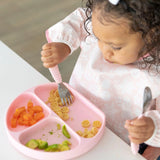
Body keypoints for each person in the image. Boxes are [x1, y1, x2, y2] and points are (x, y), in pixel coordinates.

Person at [41, 0, 160, 159]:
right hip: (74, 115)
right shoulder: (105, 26)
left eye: (115, 47)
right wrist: (63, 44)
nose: (104, 50)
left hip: (118, 141)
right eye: (98, 38)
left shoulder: (155, 74)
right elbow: (80, 19)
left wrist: (151, 128)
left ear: (152, 35)